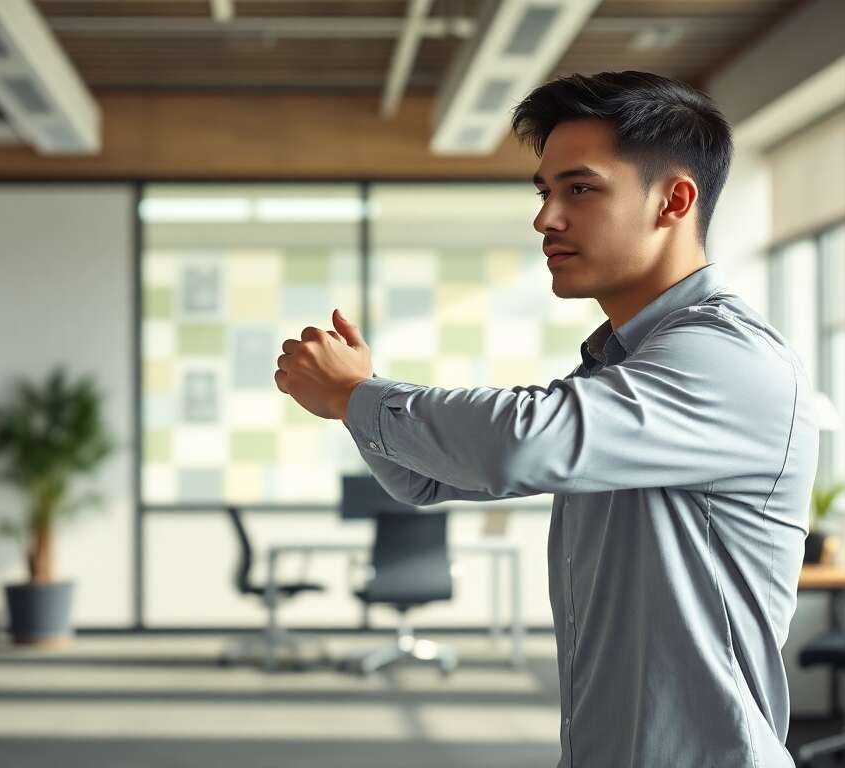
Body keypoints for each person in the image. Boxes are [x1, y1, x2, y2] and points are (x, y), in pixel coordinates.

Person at [274, 71, 816, 768]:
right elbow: (429, 483)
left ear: (673, 200)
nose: (546, 218)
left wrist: (356, 397)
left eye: (579, 189)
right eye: (544, 191)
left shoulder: (725, 358)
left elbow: (521, 444)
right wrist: (359, 400)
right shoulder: (625, 365)